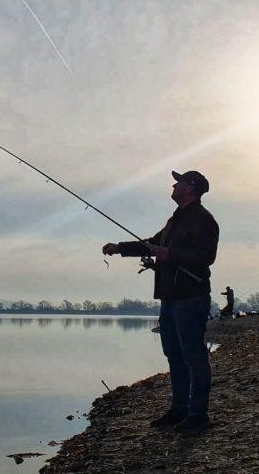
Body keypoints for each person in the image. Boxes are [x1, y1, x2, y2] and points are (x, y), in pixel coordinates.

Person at [102, 170, 219, 435]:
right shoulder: (174, 220)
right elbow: (152, 245)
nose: (173, 185)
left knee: (194, 355)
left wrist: (172, 254)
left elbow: (206, 256)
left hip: (191, 297)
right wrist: (119, 248)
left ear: (189, 188)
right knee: (174, 355)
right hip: (169, 298)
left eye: (178, 182)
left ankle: (198, 414)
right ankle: (179, 410)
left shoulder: (203, 219)